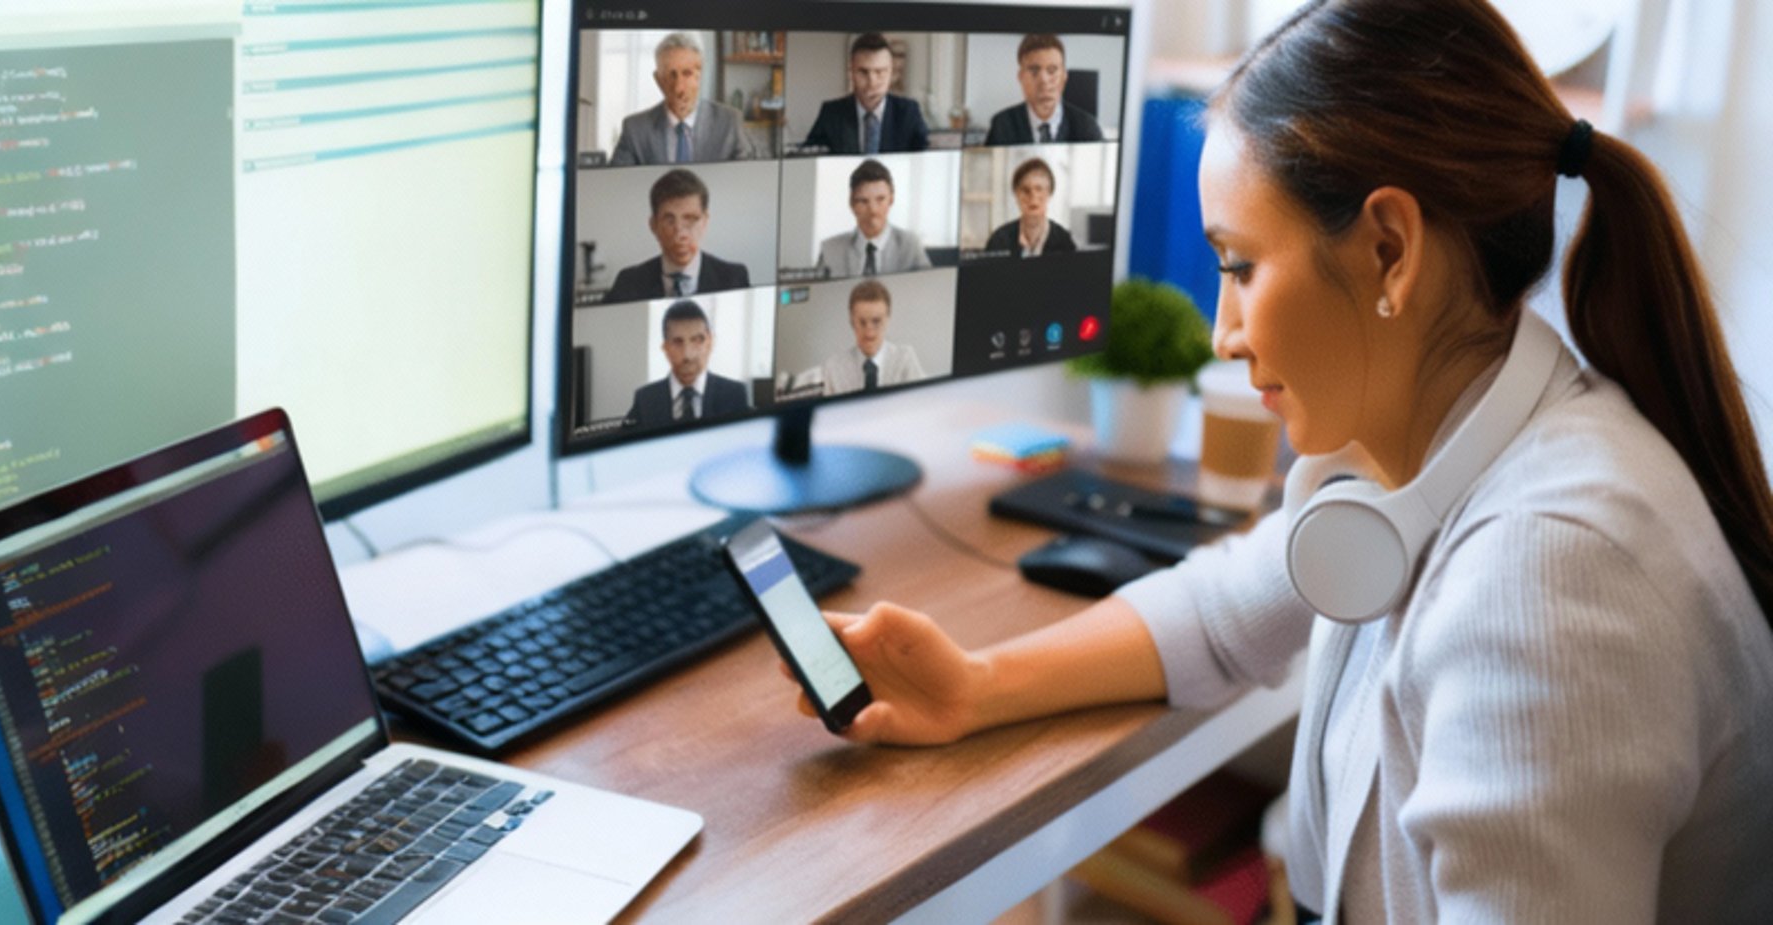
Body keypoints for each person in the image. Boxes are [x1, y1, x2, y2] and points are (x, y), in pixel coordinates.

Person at [782, 1, 1773, 922]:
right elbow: (1219, 612)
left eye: (1240, 266)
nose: (1223, 332)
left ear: (1390, 249)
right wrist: (976, 685)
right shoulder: (1438, 446)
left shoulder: (1549, 578)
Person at [610, 32, 757, 166]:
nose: (679, 88)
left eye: (687, 73)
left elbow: (749, 180)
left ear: (700, 76)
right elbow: (617, 185)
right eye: (670, 75)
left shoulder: (729, 123)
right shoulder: (635, 129)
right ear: (658, 80)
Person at [606, 168, 750, 303]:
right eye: (669, 221)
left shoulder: (734, 278)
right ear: (653, 226)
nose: (680, 234)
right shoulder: (628, 282)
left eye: (690, 220)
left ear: (705, 222)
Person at [623, 300, 750, 426]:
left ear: (710, 343)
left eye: (697, 340)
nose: (688, 355)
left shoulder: (735, 395)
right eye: (678, 342)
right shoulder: (645, 399)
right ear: (665, 348)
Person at [801, 33, 929, 155]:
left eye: (880, 72)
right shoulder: (831, 113)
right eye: (863, 72)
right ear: (851, 72)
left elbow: (926, 158)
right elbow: (809, 160)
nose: (872, 82)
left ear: (891, 72)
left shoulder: (908, 113)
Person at [816, 159, 931, 278]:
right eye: (863, 201)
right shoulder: (830, 250)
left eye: (880, 199)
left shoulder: (911, 246)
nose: (873, 210)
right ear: (851, 203)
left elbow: (930, 290)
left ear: (891, 200)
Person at [983, 34, 1104, 145]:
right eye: (1034, 70)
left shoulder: (1086, 126)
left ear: (1064, 77)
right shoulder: (1002, 125)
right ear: (1020, 77)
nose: (1044, 80)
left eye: (1052, 70)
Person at [819, 279, 924, 395]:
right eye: (862, 322)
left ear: (888, 319)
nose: (869, 333)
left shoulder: (906, 359)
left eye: (876, 321)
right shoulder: (833, 368)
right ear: (851, 321)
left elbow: (921, 405)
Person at [983, 158, 1076, 257]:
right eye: (1025, 190)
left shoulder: (1065, 242)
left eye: (1039, 189)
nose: (1033, 196)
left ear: (1050, 193)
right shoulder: (998, 241)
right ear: (1016, 195)